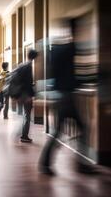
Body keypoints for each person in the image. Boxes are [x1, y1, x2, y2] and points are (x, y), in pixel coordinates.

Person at [38, 18, 95, 175]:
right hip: (67, 97)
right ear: (73, 30)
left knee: (63, 131)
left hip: (63, 96)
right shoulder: (69, 49)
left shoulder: (58, 50)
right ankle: (48, 164)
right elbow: (80, 56)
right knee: (73, 130)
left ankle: (47, 164)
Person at [3, 50, 37, 143]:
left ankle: (20, 133)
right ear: (34, 58)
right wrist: (31, 95)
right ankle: (23, 135)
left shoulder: (22, 65)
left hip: (19, 94)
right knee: (27, 115)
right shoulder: (29, 66)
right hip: (25, 94)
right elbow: (28, 83)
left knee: (23, 115)